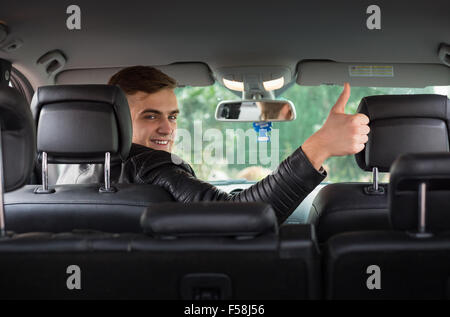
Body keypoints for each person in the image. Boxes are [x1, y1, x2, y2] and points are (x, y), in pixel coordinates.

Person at [57, 66, 370, 224]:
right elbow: (237, 215)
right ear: (116, 120)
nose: (167, 127)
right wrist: (320, 146)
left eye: (173, 116)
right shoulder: (147, 164)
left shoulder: (55, 177)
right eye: (150, 116)